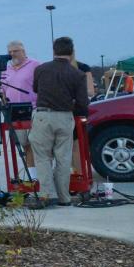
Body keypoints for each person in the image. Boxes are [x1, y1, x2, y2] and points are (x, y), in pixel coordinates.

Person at [29, 36, 90, 207]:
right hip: (65, 118)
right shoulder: (77, 74)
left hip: (43, 116)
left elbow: (35, 89)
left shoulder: (41, 69)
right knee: (63, 158)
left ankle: (45, 195)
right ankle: (64, 197)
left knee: (42, 157)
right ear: (71, 52)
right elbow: (83, 103)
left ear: (54, 51)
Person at [1, 40, 40, 182]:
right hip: (14, 113)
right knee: (24, 145)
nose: (12, 54)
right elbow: (3, 90)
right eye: (10, 52)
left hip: (33, 110)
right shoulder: (6, 69)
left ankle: (37, 176)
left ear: (23, 51)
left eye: (15, 51)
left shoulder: (35, 65)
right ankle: (31, 176)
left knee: (35, 144)